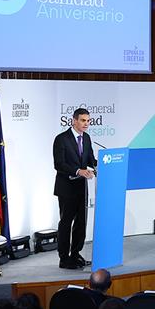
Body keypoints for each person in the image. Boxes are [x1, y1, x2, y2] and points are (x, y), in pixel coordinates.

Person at [52, 107, 98, 270]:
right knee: (66, 223)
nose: (86, 124)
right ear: (74, 121)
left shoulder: (86, 138)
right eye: (83, 120)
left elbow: (91, 159)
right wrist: (79, 171)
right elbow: (59, 164)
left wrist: (102, 167)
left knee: (81, 223)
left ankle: (76, 253)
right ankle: (64, 258)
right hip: (66, 188)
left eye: (88, 120)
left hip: (81, 188)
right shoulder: (61, 139)